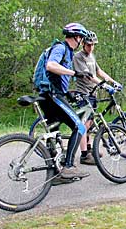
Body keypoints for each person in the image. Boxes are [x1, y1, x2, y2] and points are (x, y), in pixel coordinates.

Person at [39, 22, 90, 180]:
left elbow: (55, 78)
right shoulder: (61, 48)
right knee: (79, 126)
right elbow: (51, 66)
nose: (81, 41)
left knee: (53, 133)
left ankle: (55, 175)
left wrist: (67, 93)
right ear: (77, 37)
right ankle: (68, 167)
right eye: (81, 38)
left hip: (49, 95)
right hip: (52, 96)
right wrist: (74, 73)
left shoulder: (66, 51)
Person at [73, 30, 122, 165]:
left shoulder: (92, 56)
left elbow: (99, 71)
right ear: (83, 44)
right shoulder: (78, 57)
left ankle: (90, 150)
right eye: (89, 45)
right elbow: (89, 75)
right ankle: (84, 155)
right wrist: (104, 85)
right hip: (83, 94)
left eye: (93, 45)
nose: (91, 47)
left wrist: (113, 81)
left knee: (90, 123)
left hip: (92, 93)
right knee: (84, 124)